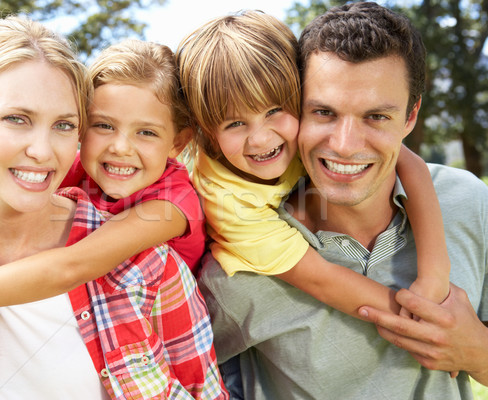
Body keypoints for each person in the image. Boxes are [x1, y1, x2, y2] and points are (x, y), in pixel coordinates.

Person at [0, 18, 226, 399]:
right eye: (16, 119)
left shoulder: (150, 256)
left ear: (177, 142)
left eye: (63, 125)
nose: (42, 151)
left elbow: (70, 267)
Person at [197, 3, 488, 399]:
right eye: (324, 112)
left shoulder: (470, 203)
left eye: (376, 117)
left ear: (411, 115)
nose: (345, 145)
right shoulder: (238, 269)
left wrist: (477, 351)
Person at [176, 10, 449, 322]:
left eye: (274, 110)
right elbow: (323, 280)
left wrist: (434, 273)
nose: (262, 139)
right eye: (235, 123)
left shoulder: (303, 132)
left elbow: (407, 159)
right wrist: (430, 322)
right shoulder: (227, 203)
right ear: (206, 130)